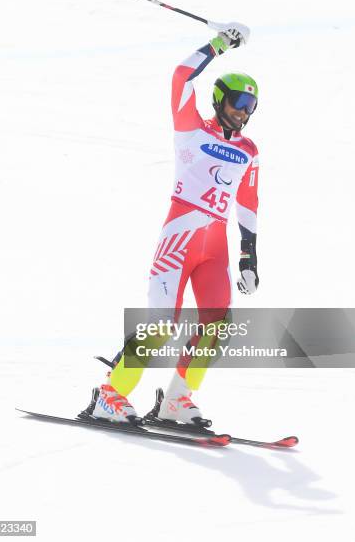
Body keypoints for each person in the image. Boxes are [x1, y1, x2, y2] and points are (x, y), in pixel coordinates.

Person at [81, 22, 260, 425]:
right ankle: (109, 396)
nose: (243, 112)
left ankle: (176, 401)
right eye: (236, 102)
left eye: (250, 106)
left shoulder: (249, 151)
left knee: (219, 326)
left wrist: (249, 259)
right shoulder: (191, 129)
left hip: (215, 248)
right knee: (162, 325)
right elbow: (182, 75)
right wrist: (219, 44)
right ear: (219, 100)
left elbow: (248, 204)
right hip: (179, 239)